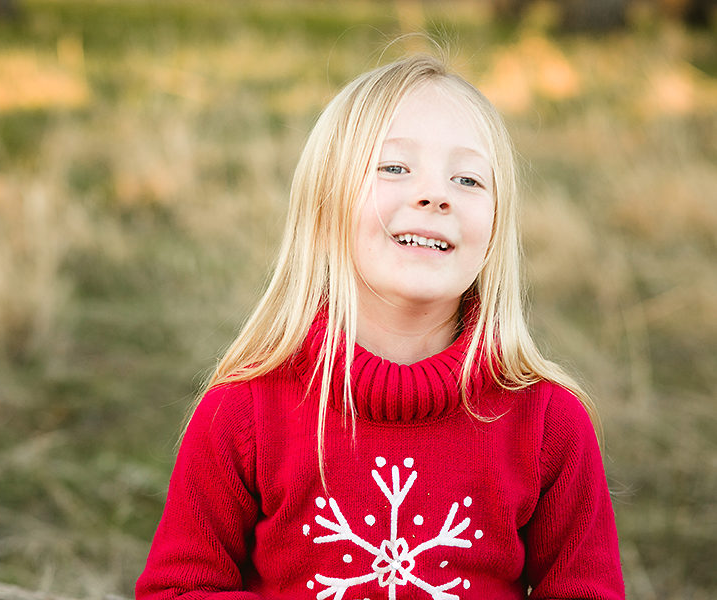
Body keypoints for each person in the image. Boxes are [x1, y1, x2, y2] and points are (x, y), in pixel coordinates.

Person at [135, 53, 625, 600]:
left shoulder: (548, 424)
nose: (435, 194)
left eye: (467, 179)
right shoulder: (242, 412)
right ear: (325, 205)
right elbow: (177, 589)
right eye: (394, 167)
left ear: (495, 231)